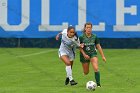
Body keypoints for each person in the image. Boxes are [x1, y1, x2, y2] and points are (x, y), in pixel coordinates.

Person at [79, 22, 106, 87]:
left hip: (93, 54)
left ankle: (98, 84)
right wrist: (84, 55)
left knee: (96, 68)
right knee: (86, 72)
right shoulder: (81, 37)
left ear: (91, 28)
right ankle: (85, 71)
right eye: (87, 27)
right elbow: (79, 47)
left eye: (90, 27)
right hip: (84, 56)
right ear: (85, 28)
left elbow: (98, 46)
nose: (89, 29)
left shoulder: (95, 37)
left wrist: (103, 56)